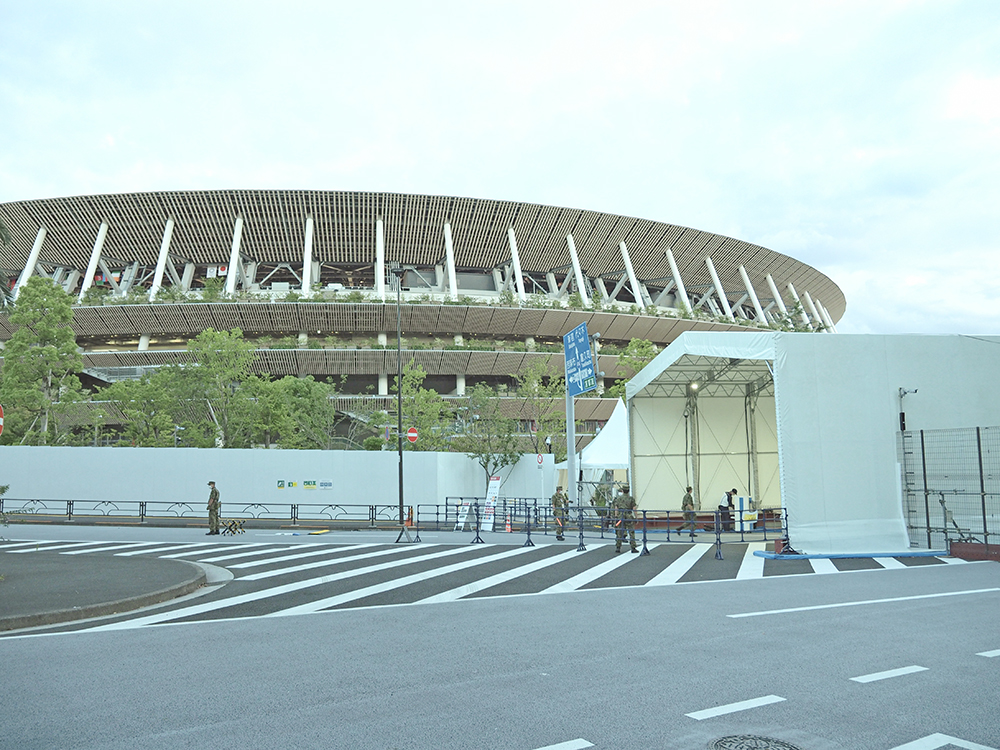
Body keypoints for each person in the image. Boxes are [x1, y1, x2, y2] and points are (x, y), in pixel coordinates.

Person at [612, 484, 638, 553]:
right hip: (629, 515)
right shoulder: (631, 499)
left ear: (622, 491)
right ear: (628, 491)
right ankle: (633, 547)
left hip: (621, 515)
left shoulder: (618, 498)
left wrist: (616, 517)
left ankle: (618, 547)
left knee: (619, 532)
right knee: (631, 532)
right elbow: (634, 508)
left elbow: (616, 508)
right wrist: (636, 517)